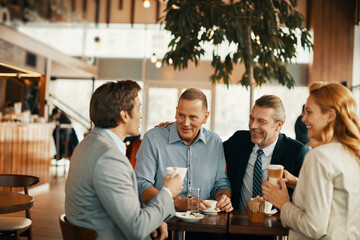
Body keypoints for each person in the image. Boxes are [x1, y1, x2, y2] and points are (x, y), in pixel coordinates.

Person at [65, 80, 183, 240]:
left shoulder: (88, 144)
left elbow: (122, 203)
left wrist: (155, 216)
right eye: (139, 108)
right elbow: (137, 228)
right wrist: (168, 192)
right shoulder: (109, 158)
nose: (141, 115)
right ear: (124, 114)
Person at [262, 82, 360, 240]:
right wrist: (299, 183)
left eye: (308, 112)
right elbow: (338, 199)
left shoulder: (319, 157)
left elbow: (313, 227)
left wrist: (283, 203)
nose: (303, 118)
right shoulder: (353, 154)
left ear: (330, 116)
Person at [135, 88, 233, 213]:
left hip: (204, 223)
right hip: (162, 220)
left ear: (205, 117)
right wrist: (175, 201)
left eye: (193, 117)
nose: (186, 123)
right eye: (182, 115)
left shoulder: (214, 141)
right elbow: (141, 184)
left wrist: (223, 197)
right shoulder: (153, 138)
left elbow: (220, 182)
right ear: (176, 112)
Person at [223, 95, 308, 210]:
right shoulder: (238, 141)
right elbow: (212, 152)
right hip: (238, 222)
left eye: (261, 121)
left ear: (278, 125)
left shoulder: (297, 152)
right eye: (251, 118)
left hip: (278, 224)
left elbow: (308, 193)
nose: (253, 126)